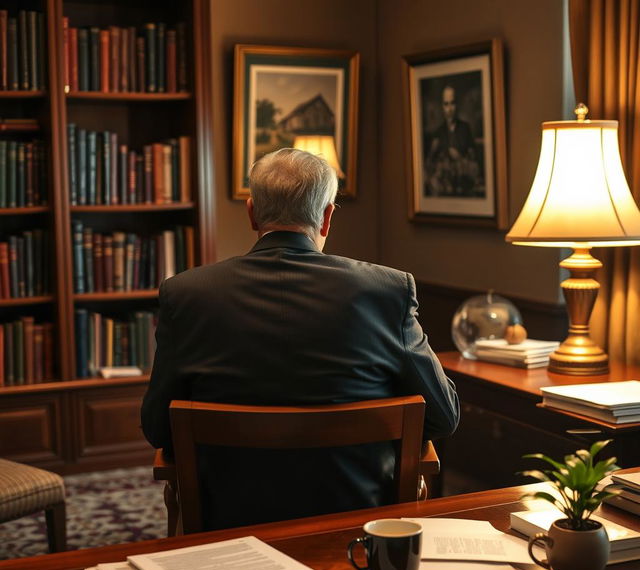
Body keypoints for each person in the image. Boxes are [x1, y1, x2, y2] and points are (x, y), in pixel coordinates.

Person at [141, 148, 459, 530]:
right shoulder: (387, 291)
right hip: (358, 519)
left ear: (252, 213)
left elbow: (158, 428)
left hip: (228, 521)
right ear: (327, 217)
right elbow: (443, 416)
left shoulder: (186, 294)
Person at [425, 84, 479, 197]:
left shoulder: (465, 128)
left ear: (457, 105)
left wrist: (460, 158)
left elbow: (475, 162)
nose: (449, 109)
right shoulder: (438, 133)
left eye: (452, 103)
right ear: (442, 107)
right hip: (443, 189)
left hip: (463, 186)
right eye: (446, 104)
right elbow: (429, 165)